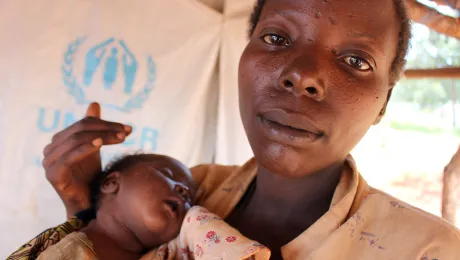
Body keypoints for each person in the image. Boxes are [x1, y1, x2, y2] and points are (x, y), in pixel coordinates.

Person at [10, 0, 460, 259]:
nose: (302, 75)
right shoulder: (191, 189)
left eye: (356, 61)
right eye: (277, 38)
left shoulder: (428, 251)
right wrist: (90, 211)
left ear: (383, 103)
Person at [9, 153, 270, 260]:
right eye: (167, 173)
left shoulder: (165, 252)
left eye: (189, 196)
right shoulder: (72, 251)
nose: (183, 192)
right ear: (112, 183)